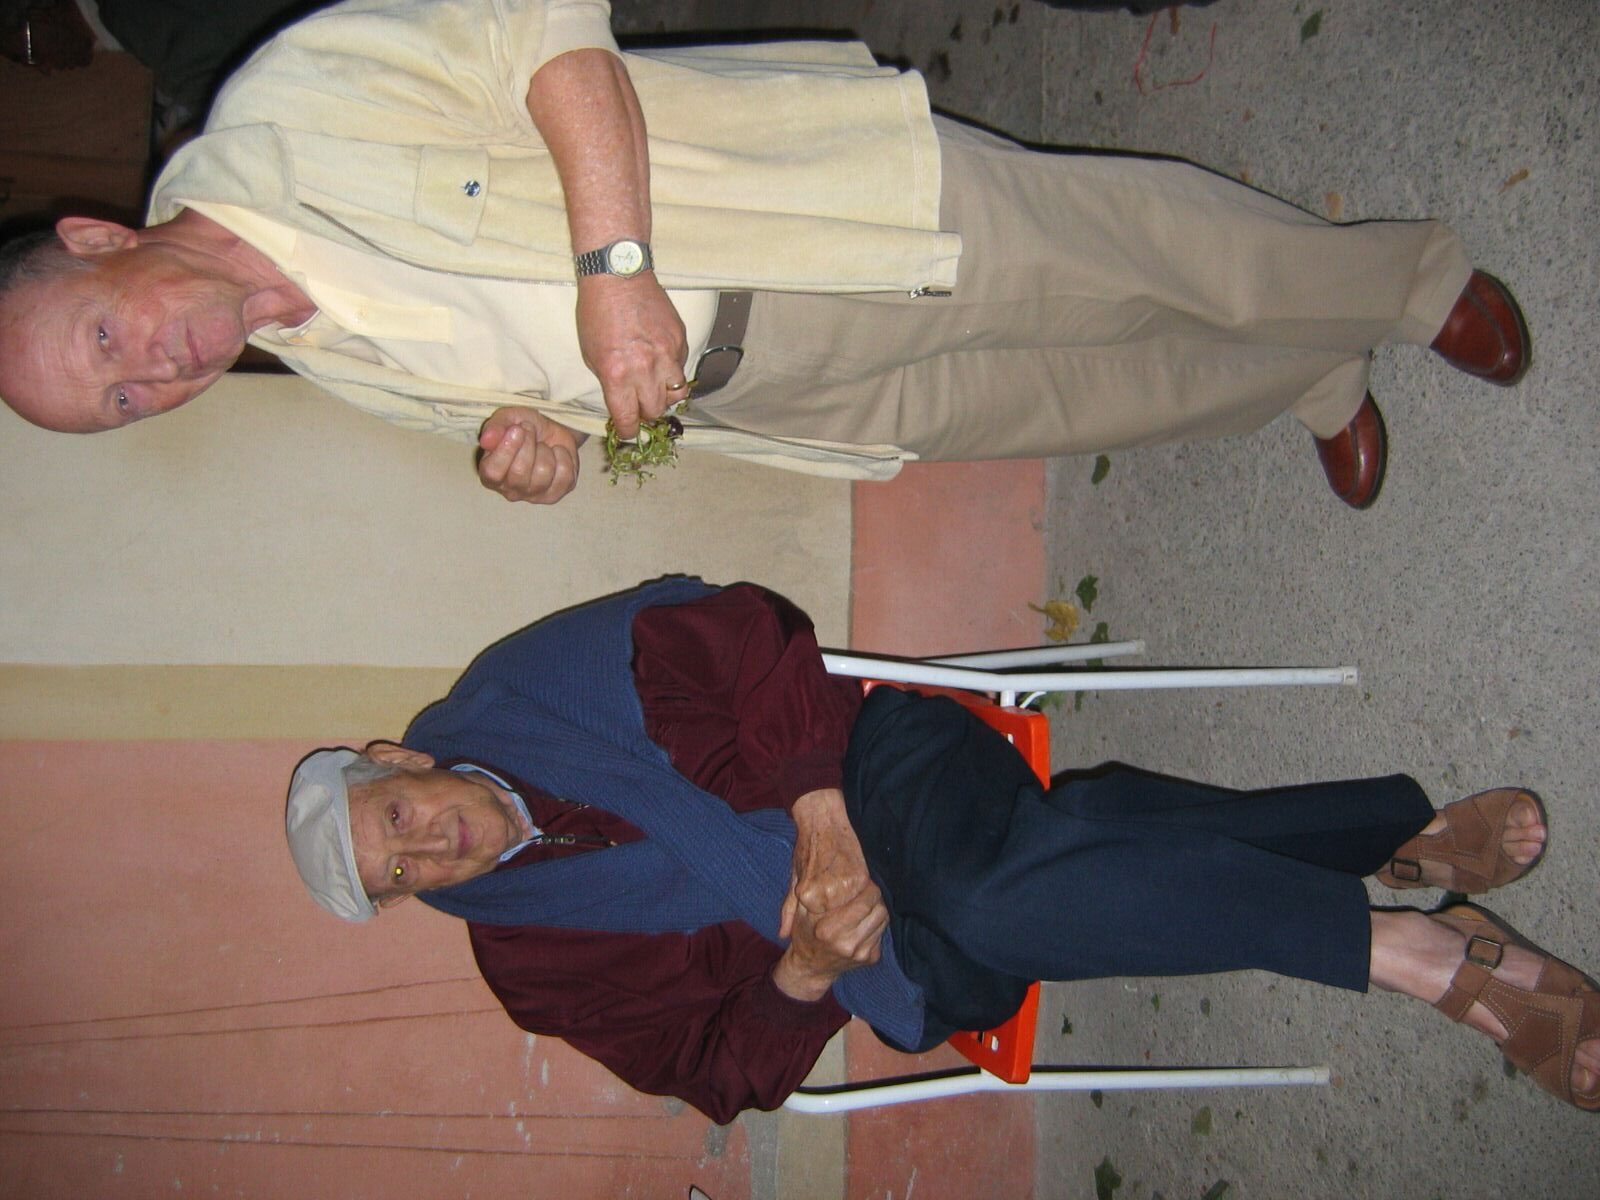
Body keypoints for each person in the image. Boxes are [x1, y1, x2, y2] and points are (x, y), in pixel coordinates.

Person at [0, 0, 1527, 511]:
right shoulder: (307, 349)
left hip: (791, 225)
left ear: (97, 237)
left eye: (106, 344)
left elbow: (538, 25)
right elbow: (525, 372)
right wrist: (533, 442)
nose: (157, 376)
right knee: (1083, 395)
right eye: (123, 405)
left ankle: (1406, 284)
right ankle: (1306, 381)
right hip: (766, 399)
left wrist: (613, 267)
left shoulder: (288, 105)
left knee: (1124, 250)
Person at [284, 578, 1598, 1123]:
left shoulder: (522, 689)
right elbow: (712, 1072)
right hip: (887, 969)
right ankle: (1381, 841)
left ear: (397, 760)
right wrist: (802, 970)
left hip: (864, 774)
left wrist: (818, 816)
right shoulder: (531, 964)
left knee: (989, 880)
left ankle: (1408, 953)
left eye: (396, 820)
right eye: (403, 879)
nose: (428, 851)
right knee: (1023, 882)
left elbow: (736, 633)